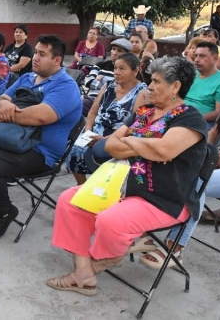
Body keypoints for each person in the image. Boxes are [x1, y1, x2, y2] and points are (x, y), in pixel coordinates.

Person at [47, 56, 207, 296]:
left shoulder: (189, 118)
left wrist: (133, 140)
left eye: (157, 82)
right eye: (150, 80)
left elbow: (165, 150)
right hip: (121, 186)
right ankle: (84, 273)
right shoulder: (144, 112)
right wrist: (147, 144)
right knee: (70, 202)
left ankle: (107, 258)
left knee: (110, 221)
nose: (150, 87)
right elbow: (111, 145)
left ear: (176, 87)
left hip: (164, 197)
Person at [0, 34, 82, 240]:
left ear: (57, 60)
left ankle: (2, 212)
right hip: (10, 138)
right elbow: (0, 99)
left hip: (39, 151)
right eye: (35, 52)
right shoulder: (27, 77)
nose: (35, 57)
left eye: (42, 54)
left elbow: (41, 116)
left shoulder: (65, 86)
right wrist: (4, 107)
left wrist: (2, 118)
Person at [137, 56, 220, 270]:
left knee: (196, 181)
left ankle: (175, 246)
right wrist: (203, 152)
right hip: (215, 162)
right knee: (164, 169)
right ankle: (146, 232)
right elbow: (215, 130)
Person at [67, 53, 148, 185]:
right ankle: (82, 186)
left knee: (102, 154)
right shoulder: (109, 85)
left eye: (122, 69)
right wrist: (88, 132)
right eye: (115, 68)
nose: (116, 72)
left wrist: (104, 139)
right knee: (75, 150)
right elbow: (92, 112)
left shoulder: (141, 93)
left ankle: (102, 189)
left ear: (135, 71)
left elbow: (135, 127)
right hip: (96, 133)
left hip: (118, 138)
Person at [184, 41, 220, 127]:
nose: (196, 60)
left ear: (215, 58)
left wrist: (193, 119)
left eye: (202, 56)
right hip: (178, 114)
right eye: (196, 55)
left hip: (202, 122)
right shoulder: (190, 74)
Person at [82, 38, 134, 116]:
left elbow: (119, 88)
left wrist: (103, 78)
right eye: (113, 49)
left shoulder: (127, 71)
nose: (115, 53)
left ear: (127, 55)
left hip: (109, 105)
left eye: (119, 51)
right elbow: (88, 81)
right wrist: (109, 84)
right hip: (90, 101)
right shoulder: (101, 65)